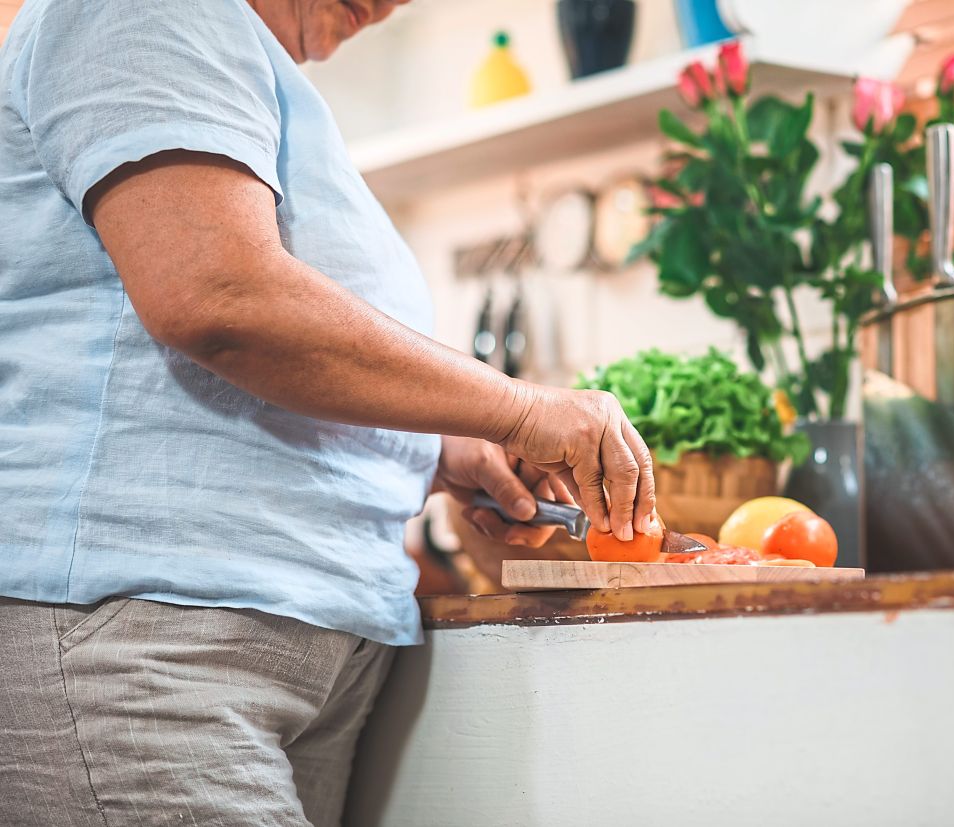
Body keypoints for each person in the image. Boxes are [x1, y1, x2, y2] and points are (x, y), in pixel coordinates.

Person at [0, 0, 656, 824]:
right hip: (147, 637)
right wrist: (518, 407)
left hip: (278, 647)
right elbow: (218, 295)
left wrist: (433, 448)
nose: (394, 6)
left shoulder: (250, 72)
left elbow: (263, 362)